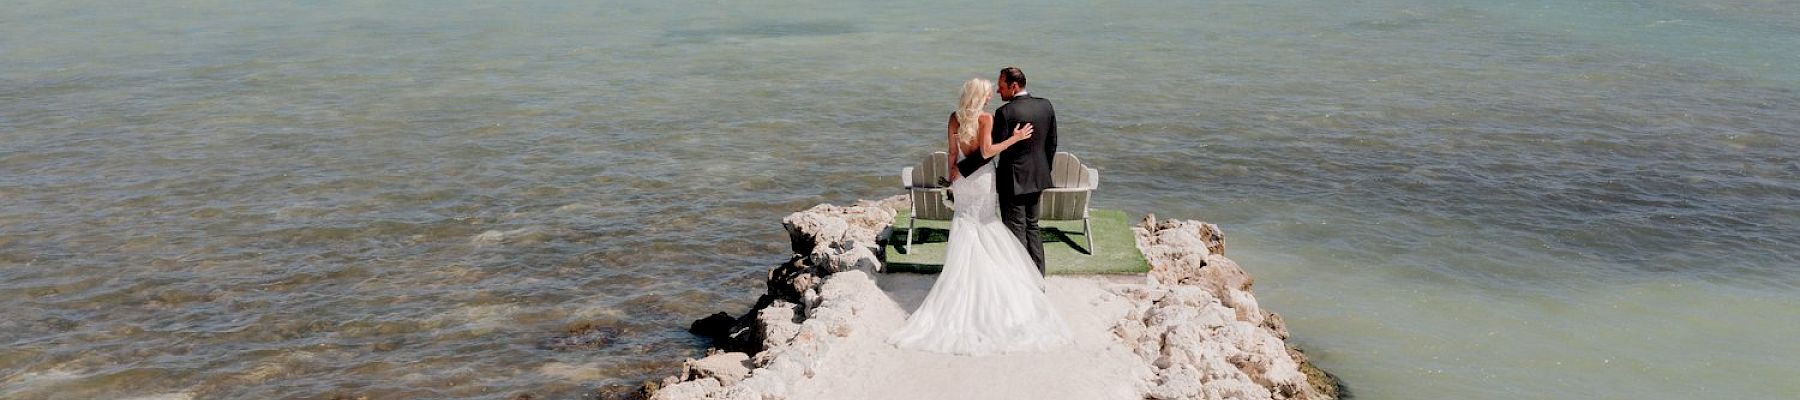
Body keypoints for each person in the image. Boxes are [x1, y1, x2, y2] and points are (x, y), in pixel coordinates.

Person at [886, 78, 1073, 356]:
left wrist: (953, 174)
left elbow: (952, 153)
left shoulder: (954, 117)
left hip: (962, 180)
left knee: (965, 224)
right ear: (980, 97)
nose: (991, 97)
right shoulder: (986, 118)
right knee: (988, 225)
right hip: (983, 180)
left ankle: (959, 288)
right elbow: (986, 152)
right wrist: (1014, 139)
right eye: (987, 94)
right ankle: (1015, 282)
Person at [990, 67, 1057, 276]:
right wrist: (1044, 170)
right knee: (1032, 226)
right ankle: (1038, 274)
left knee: (1014, 229)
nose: (998, 92)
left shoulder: (1005, 113)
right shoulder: (1046, 106)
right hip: (1038, 176)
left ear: (1014, 86)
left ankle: (1019, 278)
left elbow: (995, 146)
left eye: (1001, 87)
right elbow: (1052, 144)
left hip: (1013, 180)